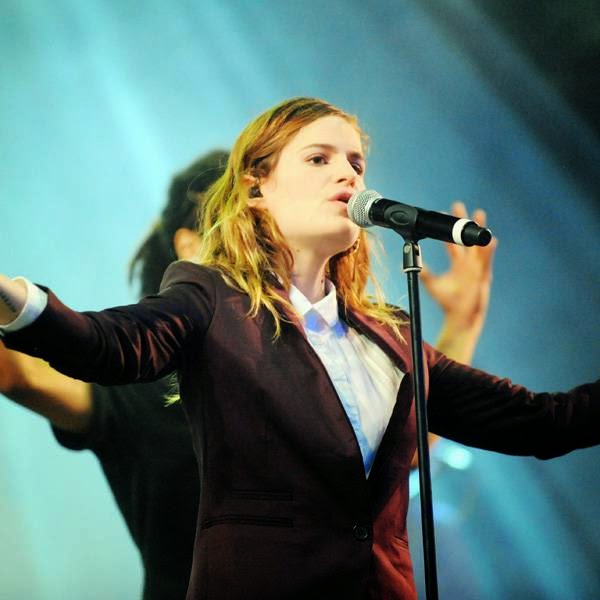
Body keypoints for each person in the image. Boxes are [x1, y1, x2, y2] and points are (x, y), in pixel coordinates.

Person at [1, 96, 590, 600]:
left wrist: (459, 324)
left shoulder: (388, 336)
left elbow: (541, 421)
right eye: (319, 159)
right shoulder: (210, 303)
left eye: (357, 163)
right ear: (257, 189)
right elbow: (103, 343)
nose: (351, 176)